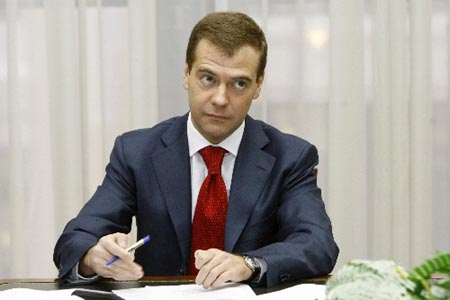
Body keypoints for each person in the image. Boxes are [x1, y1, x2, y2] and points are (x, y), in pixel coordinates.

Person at [53, 11, 339, 288]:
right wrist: (94, 257)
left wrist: (248, 264)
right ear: (186, 74)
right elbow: (76, 238)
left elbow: (317, 244)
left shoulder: (290, 156)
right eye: (208, 78)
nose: (220, 98)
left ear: (258, 86)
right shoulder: (136, 152)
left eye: (239, 83)